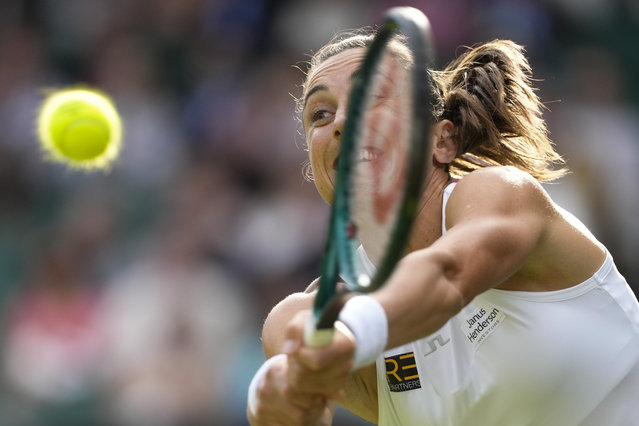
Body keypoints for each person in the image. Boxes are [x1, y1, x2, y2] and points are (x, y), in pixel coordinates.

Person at [246, 25, 639, 426]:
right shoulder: (303, 318)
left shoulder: (499, 192)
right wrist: (283, 400)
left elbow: (447, 275)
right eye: (321, 114)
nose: (341, 122)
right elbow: (300, 404)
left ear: (442, 141)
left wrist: (354, 335)